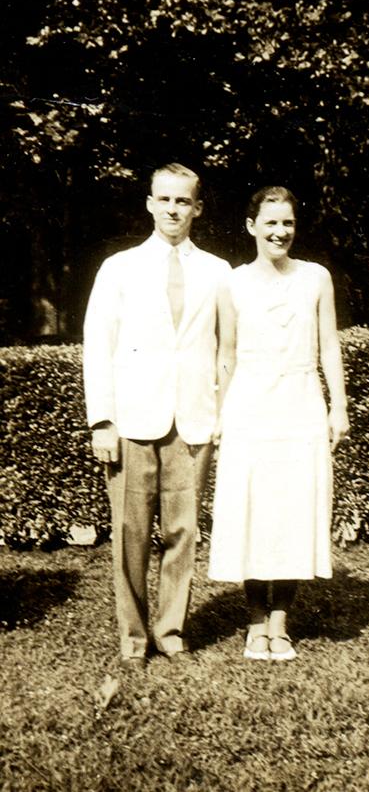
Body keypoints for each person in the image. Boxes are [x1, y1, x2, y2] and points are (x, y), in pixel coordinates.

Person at [83, 163, 230, 669]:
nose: (173, 209)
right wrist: (101, 420)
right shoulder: (119, 268)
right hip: (131, 420)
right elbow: (97, 346)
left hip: (193, 419)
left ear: (198, 207)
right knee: (130, 532)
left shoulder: (217, 271)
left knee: (183, 532)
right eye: (164, 199)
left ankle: (171, 633)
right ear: (149, 203)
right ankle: (133, 637)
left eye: (183, 201)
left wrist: (221, 415)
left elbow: (226, 349)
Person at [208, 186, 350, 662]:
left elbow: (328, 345)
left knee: (292, 510)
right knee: (252, 510)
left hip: (301, 403)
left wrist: (339, 406)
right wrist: (221, 414)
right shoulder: (232, 282)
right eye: (270, 223)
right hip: (249, 405)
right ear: (251, 227)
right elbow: (225, 353)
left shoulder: (316, 278)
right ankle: (253, 622)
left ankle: (280, 624)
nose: (279, 231)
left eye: (287, 222)